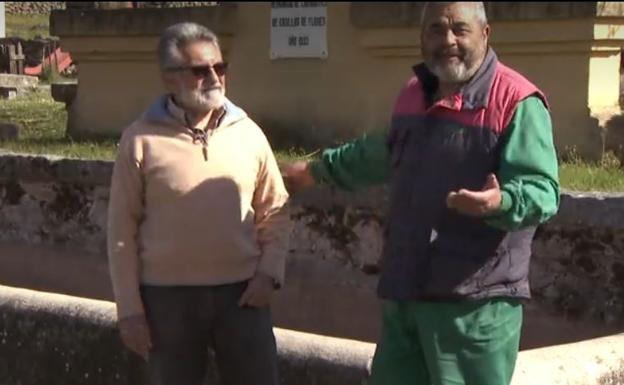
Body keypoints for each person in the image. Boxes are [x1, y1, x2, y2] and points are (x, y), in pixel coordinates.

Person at [284, 2, 559, 385]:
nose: (448, 40)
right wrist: (315, 171)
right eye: (436, 29)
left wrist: (501, 203)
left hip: (473, 307)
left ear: (485, 33)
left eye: (459, 29)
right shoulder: (414, 92)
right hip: (406, 291)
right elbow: (379, 152)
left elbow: (542, 190)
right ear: (421, 38)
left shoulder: (516, 101)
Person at [107, 22, 290, 385]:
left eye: (220, 67)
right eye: (200, 70)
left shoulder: (249, 134)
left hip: (242, 298)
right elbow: (120, 231)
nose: (214, 78)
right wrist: (129, 311)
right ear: (169, 78)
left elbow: (275, 210)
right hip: (167, 304)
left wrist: (269, 273)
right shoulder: (139, 140)